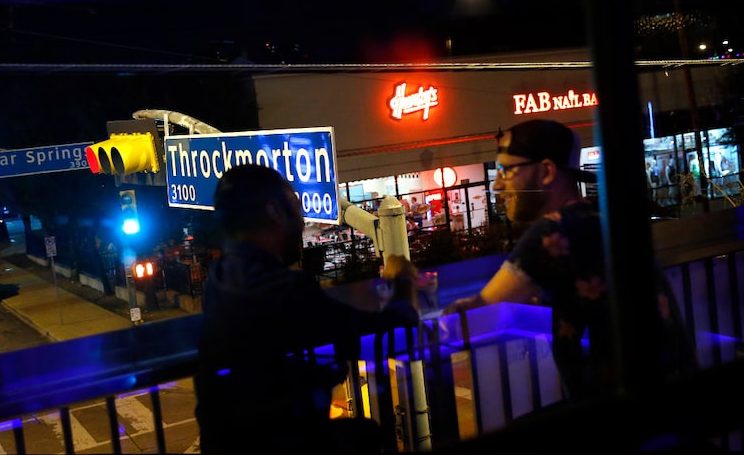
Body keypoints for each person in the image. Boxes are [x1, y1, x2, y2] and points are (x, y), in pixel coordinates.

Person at [443, 119, 698, 405]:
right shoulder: (591, 218)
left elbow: (474, 315)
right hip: (668, 398)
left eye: (506, 170)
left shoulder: (554, 230)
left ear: (548, 171)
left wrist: (414, 300)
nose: (497, 186)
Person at [194, 164, 419, 453]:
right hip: (283, 442)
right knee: (368, 437)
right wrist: (402, 280)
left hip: (229, 443)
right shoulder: (283, 289)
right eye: (295, 207)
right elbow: (397, 335)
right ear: (275, 211)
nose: (301, 221)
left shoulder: (221, 277)